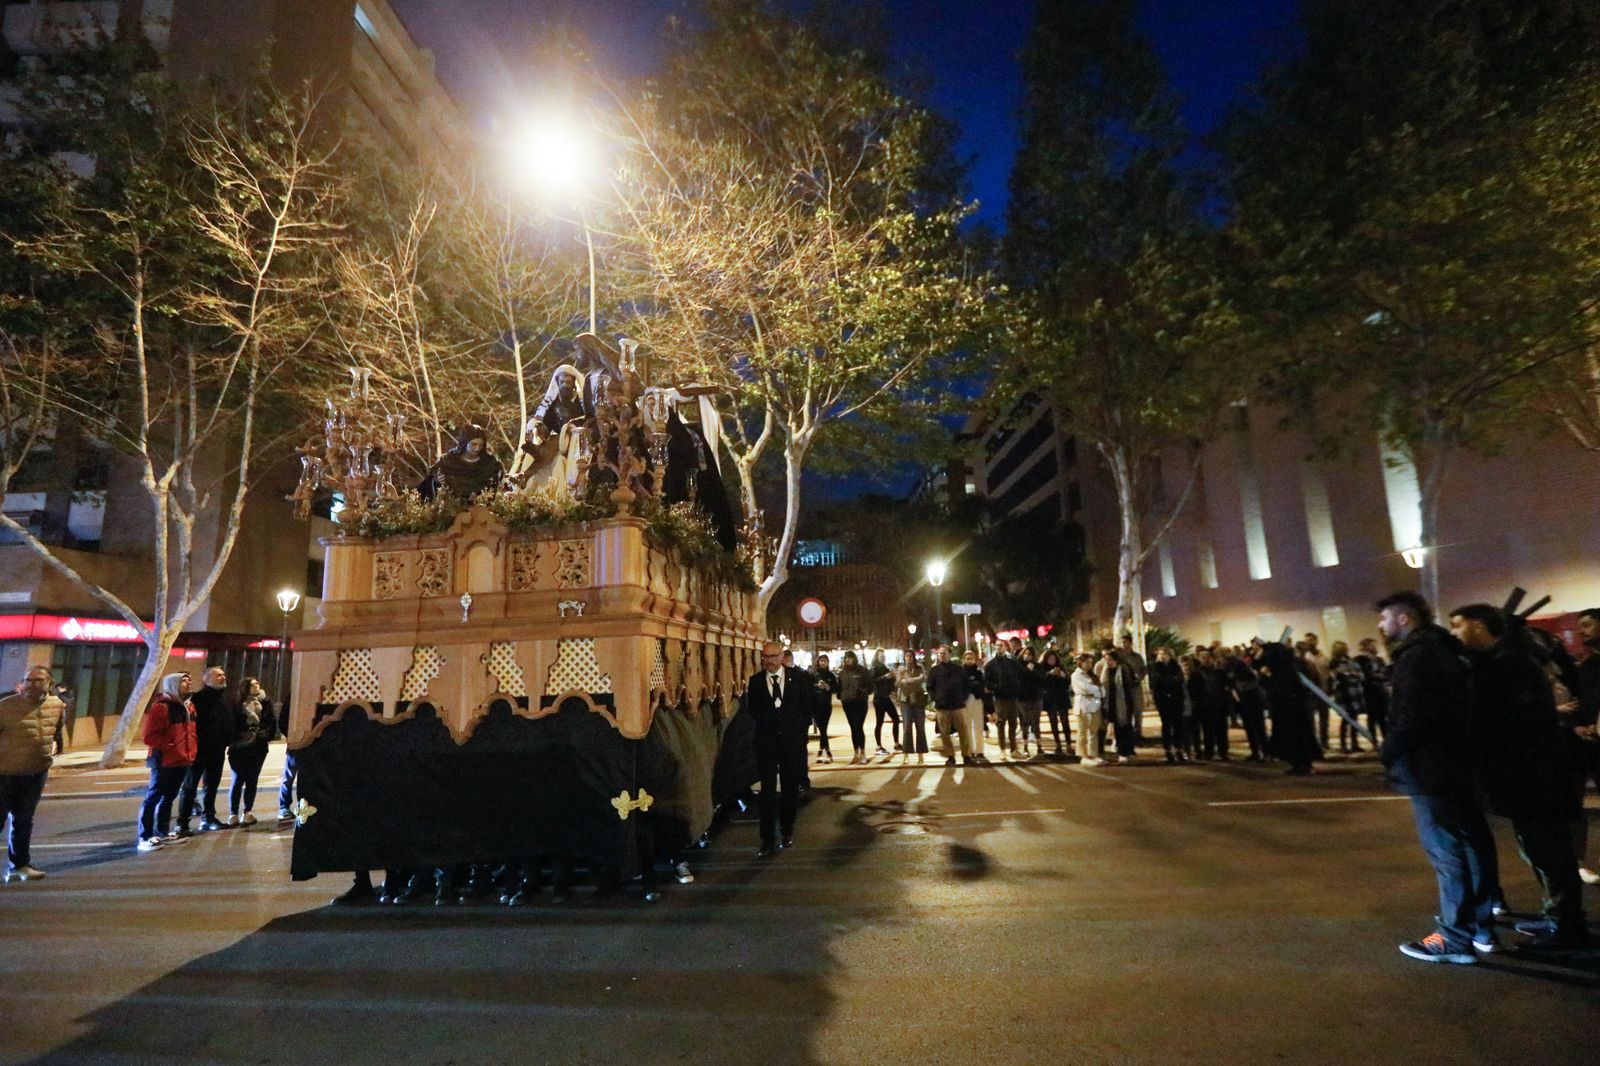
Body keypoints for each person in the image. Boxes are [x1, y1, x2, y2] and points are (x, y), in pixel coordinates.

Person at [1450, 603, 1588, 950]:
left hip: (1535, 777)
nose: (1453, 633)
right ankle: (1559, 916)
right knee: (1542, 850)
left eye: (1458, 625)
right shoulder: (1510, 659)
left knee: (1549, 850)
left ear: (1480, 627)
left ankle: (1567, 926)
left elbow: (1511, 723)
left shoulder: (1508, 664)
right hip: (1533, 776)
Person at [1377, 590, 1496, 965]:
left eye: (1385, 618)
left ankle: (1453, 936)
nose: (1381, 626)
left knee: (1447, 851)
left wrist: (1390, 748)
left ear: (1404, 618)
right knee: (1470, 843)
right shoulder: (1446, 652)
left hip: (1431, 768)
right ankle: (1479, 926)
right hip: (1454, 763)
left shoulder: (1418, 658)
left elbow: (1415, 716)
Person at [746, 640, 811, 858]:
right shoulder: (755, 682)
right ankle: (767, 839)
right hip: (767, 744)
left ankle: (787, 830)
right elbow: (753, 711)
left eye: (773, 657)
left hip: (791, 744)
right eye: (765, 657)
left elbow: (806, 708)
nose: (769, 661)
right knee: (767, 792)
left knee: (790, 789)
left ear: (782, 656)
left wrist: (800, 736)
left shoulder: (799, 679)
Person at [0, 666, 65, 881]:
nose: (32, 685)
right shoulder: (6, 706)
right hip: (5, 773)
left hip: (36, 772)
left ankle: (19, 865)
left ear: (49, 682)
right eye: (29, 680)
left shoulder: (57, 706)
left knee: (24, 819)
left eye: (38, 680)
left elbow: (56, 732)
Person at [1560, 607, 1600, 885]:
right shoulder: (1585, 665)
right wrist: (1577, 724)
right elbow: (1577, 700)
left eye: (1587, 625)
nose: (1582, 631)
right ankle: (1578, 863)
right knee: (1572, 805)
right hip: (1584, 743)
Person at [138, 673, 197, 851]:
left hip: (183, 758)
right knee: (153, 797)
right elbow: (149, 736)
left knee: (169, 797)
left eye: (189, 679)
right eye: (184, 681)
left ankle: (162, 831)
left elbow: (191, 733)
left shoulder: (189, 706)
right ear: (173, 684)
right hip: (164, 760)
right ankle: (145, 836)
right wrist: (169, 746)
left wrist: (190, 751)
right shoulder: (162, 707)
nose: (189, 683)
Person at [177, 666, 237, 834]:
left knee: (212, 786)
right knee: (190, 786)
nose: (223, 677)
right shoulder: (197, 699)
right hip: (198, 750)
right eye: (218, 675)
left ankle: (208, 817)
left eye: (224, 674)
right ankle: (183, 823)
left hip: (217, 750)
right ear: (206, 679)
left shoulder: (228, 698)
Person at [227, 678, 275, 826]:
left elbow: (271, 722)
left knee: (252, 779)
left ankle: (247, 812)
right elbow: (231, 722)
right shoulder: (237, 703)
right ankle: (233, 813)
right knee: (237, 780)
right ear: (245, 687)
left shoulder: (265, 702)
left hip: (258, 746)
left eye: (257, 683)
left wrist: (264, 735)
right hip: (240, 746)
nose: (256, 685)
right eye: (252, 684)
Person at [419, 423, 503, 502]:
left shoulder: (490, 463)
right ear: (465, 442)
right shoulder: (448, 460)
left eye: (480, 445)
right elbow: (431, 480)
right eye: (474, 444)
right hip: (451, 507)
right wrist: (437, 480)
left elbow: (497, 483)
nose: (477, 448)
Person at [983, 639, 1029, 760]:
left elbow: (1021, 675)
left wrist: (1017, 687)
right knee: (1001, 724)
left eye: (1001, 645)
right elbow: (987, 682)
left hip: (1013, 697)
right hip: (1000, 698)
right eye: (997, 645)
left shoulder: (1012, 663)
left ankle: (1014, 749)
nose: (999, 647)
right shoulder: (990, 665)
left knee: (1013, 723)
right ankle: (1002, 750)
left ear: (1005, 647)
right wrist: (996, 687)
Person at [927, 646, 971, 766]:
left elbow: (966, 685)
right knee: (945, 733)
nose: (942, 655)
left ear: (949, 654)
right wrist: (936, 698)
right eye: (940, 653)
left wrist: (963, 698)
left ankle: (966, 755)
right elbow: (930, 687)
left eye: (944, 653)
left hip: (958, 705)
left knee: (963, 731)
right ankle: (950, 756)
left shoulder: (959, 669)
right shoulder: (934, 670)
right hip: (942, 706)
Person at [1327, 642, 1369, 754]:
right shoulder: (1334, 663)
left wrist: (1349, 674)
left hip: (1354, 693)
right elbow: (1337, 676)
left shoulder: (1351, 661)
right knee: (1346, 720)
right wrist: (1350, 674)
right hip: (1344, 695)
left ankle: (1355, 744)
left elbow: (1360, 675)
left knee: (1354, 719)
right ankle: (1343, 745)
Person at [1099, 648, 1139, 763]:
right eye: (1107, 660)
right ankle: (1111, 751)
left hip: (1122, 704)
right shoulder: (1105, 671)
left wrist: (1128, 705)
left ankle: (1124, 752)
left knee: (1122, 728)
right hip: (1109, 703)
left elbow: (1129, 688)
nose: (1108, 662)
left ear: (1117, 660)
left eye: (1110, 660)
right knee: (1108, 728)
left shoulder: (1123, 670)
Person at [1148, 647, 1186, 763]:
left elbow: (1179, 680)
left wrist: (1170, 681)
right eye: (1160, 654)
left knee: (1178, 725)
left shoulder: (1176, 666)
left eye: (1164, 654)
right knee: (1166, 725)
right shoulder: (1156, 667)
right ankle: (1168, 749)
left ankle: (1179, 748)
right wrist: (1170, 681)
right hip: (1163, 700)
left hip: (1176, 699)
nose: (1162, 656)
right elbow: (1156, 682)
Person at [836, 651, 872, 764]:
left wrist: (862, 692)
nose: (847, 660)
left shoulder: (862, 671)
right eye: (846, 658)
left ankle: (863, 753)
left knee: (858, 726)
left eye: (849, 658)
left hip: (860, 702)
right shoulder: (842, 673)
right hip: (847, 703)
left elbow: (870, 686)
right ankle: (856, 752)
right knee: (853, 727)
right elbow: (839, 687)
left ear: (854, 658)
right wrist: (840, 695)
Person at [1070, 654, 1105, 767]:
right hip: (1083, 706)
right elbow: (1084, 689)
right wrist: (1096, 690)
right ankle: (1083, 756)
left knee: (1094, 732)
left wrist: (1096, 691)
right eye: (1087, 662)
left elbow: (1102, 690)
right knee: (1082, 732)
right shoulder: (1076, 675)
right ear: (1081, 662)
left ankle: (1094, 755)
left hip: (1095, 705)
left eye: (1091, 662)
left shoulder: (1093, 676)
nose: (1089, 664)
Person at [1354, 637, 1389, 744]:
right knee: (1372, 716)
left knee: (1383, 716)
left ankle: (1386, 738)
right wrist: (1376, 675)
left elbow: (1385, 673)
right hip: (1369, 691)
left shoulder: (1379, 660)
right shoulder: (1360, 660)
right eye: (1372, 645)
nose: (1374, 647)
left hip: (1381, 691)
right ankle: (1373, 739)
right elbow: (1364, 675)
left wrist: (1379, 676)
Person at [1036, 650, 1071, 757]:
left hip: (1061, 697)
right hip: (1050, 698)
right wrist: (1049, 674)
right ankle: (1058, 744)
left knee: (1065, 720)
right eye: (1050, 658)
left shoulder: (1061, 668)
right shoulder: (1042, 668)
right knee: (1053, 720)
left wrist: (1063, 675)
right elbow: (1041, 682)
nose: (1052, 660)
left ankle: (1069, 744)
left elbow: (1067, 683)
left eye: (1054, 658)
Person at [896, 657, 930, 764]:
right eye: (906, 656)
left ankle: (921, 755)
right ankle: (906, 754)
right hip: (905, 701)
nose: (909, 658)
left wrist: (908, 681)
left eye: (911, 656)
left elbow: (923, 679)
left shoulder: (919, 668)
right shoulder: (901, 669)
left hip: (918, 700)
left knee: (920, 727)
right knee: (907, 727)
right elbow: (898, 683)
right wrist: (915, 680)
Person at [869, 650, 902, 756]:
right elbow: (873, 681)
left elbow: (890, 683)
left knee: (896, 719)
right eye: (881, 656)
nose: (883, 657)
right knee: (879, 722)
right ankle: (878, 746)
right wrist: (886, 677)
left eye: (884, 656)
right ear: (877, 657)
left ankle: (896, 743)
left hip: (886, 697)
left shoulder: (885, 668)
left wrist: (893, 679)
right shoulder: (875, 668)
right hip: (879, 698)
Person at [809, 654, 839, 764]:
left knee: (824, 729)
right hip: (815, 705)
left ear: (828, 663)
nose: (823, 663)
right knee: (823, 730)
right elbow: (808, 687)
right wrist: (817, 685)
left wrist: (829, 687)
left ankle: (822, 751)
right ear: (818, 662)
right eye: (821, 661)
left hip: (826, 705)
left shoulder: (830, 675)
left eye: (825, 661)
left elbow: (836, 688)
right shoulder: (813, 673)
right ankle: (827, 752)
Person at [1119, 635, 1148, 742]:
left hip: (1135, 688)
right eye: (1122, 642)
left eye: (1125, 642)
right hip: (1123, 689)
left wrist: (1139, 678)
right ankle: (1128, 736)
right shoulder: (1119, 658)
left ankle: (1138, 734)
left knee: (1138, 711)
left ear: (1130, 643)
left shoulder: (1137, 657)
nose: (1124, 644)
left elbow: (1144, 670)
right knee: (1126, 713)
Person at [959, 650, 987, 761]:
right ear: (964, 660)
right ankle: (969, 750)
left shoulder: (979, 673)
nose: (969, 661)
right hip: (965, 701)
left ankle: (980, 750)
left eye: (971, 658)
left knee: (978, 726)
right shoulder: (961, 673)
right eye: (967, 659)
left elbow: (982, 686)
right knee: (967, 727)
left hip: (977, 699)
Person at [1017, 646, 1044, 757]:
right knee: (1024, 723)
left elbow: (1041, 679)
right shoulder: (1019, 667)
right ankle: (1025, 747)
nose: (1027, 656)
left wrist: (1033, 671)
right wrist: (1027, 670)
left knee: (1036, 722)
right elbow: (1019, 679)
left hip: (1036, 697)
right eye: (1025, 653)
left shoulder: (1037, 666)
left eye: (1029, 654)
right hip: (1023, 698)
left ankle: (1039, 747)